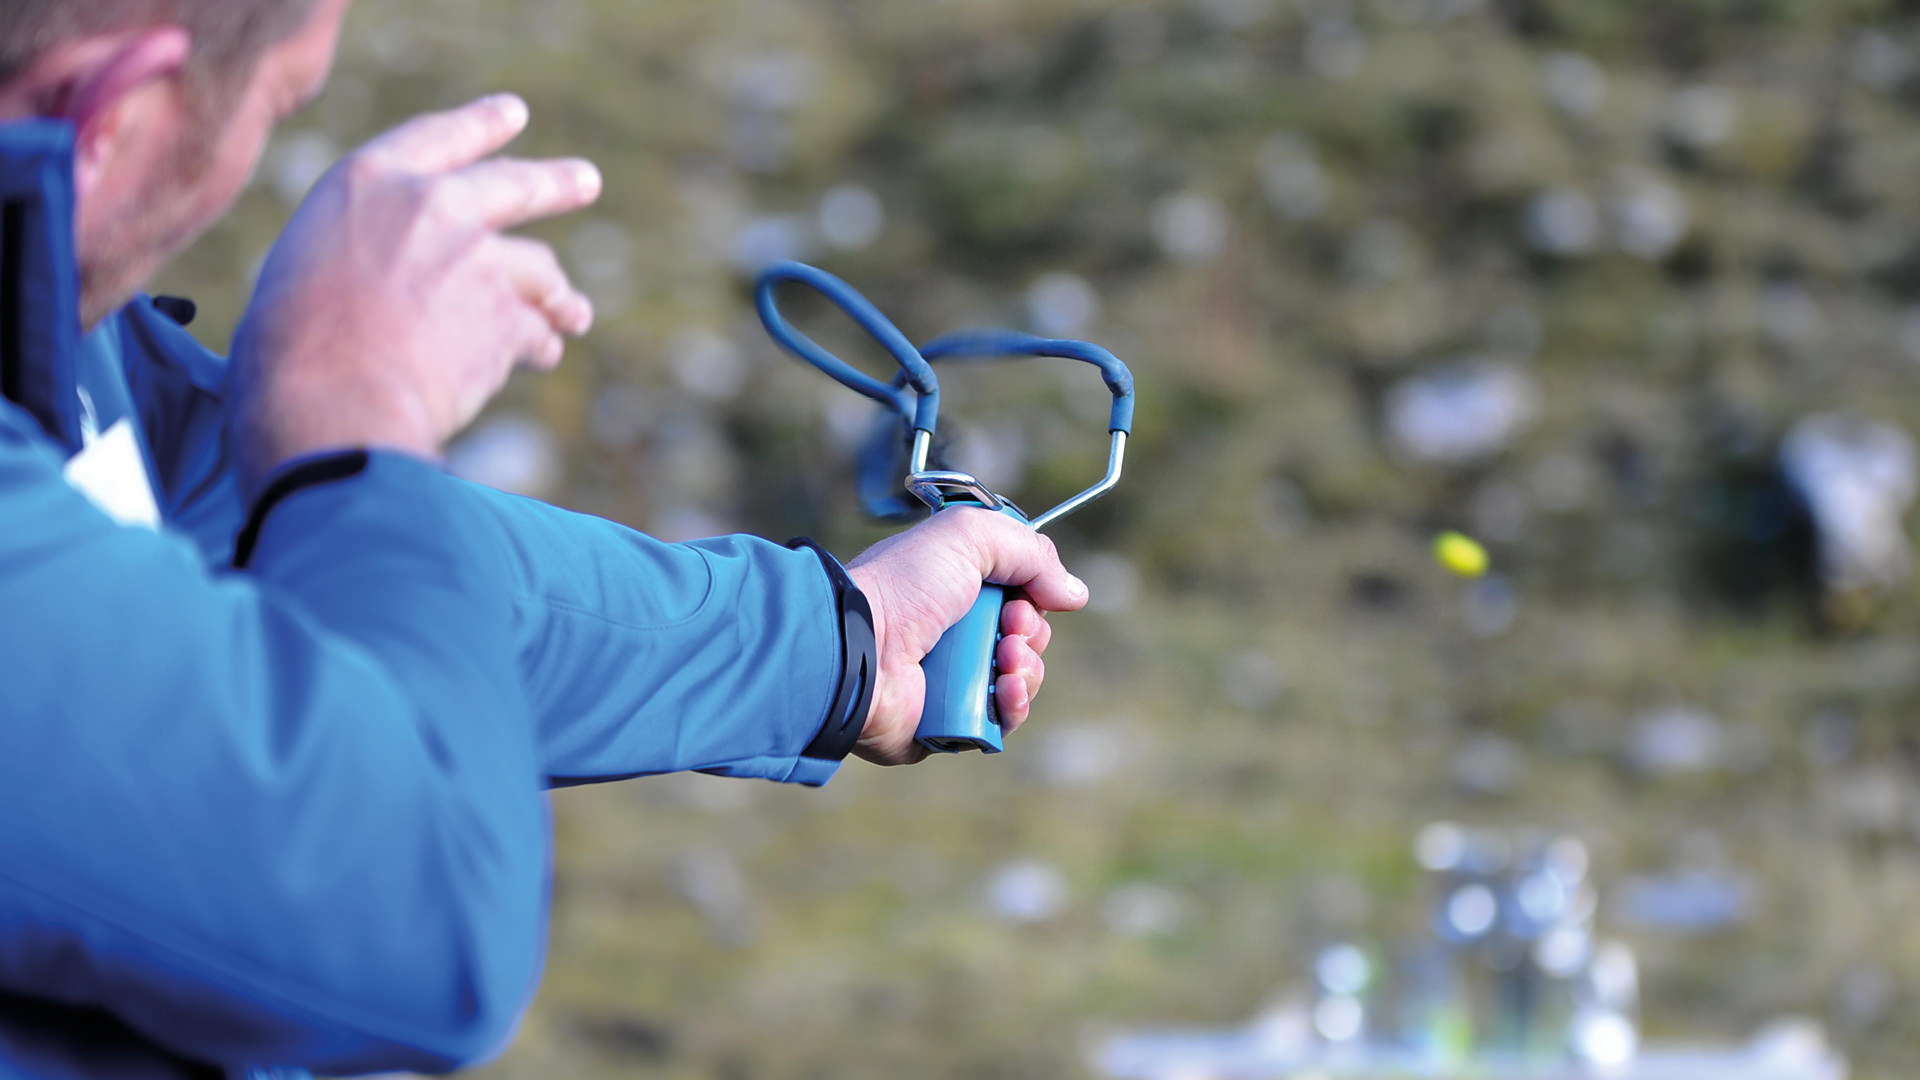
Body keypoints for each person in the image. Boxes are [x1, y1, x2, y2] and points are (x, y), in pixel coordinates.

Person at [0, 0, 1091, 1076]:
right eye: (276, 104)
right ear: (113, 111)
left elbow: (249, 535)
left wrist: (839, 641)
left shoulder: (63, 336)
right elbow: (415, 917)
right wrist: (358, 413)